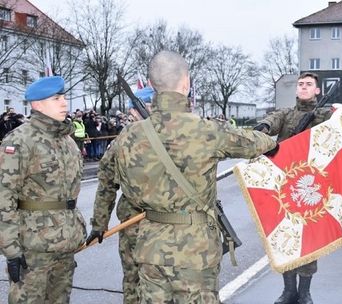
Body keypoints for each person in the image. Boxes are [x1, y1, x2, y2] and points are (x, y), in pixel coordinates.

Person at [107, 50, 276, 303]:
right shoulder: (207, 130)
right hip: (195, 251)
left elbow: (108, 178)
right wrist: (268, 136)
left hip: (149, 246)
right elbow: (259, 143)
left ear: (152, 85)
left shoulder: (128, 136)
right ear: (185, 82)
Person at [0, 76, 87, 303]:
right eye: (57, 98)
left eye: (64, 97)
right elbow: (3, 196)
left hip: (65, 243)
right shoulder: (20, 141)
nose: (64, 103)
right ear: (37, 105)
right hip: (33, 248)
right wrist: (10, 249)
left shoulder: (67, 141)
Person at [254, 72, 332, 304]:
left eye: (309, 85)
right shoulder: (287, 114)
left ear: (317, 90)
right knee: (285, 238)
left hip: (312, 188)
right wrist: (264, 127)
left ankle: (305, 292)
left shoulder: (325, 115)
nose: (304, 88)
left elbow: (337, 133)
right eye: (301, 84)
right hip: (285, 187)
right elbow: (273, 120)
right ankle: (288, 290)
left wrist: (333, 117)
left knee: (309, 240)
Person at [85, 86, 154, 304]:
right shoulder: (123, 142)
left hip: (168, 225)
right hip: (134, 223)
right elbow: (106, 183)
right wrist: (99, 224)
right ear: (134, 111)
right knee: (134, 280)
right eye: (150, 105)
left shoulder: (171, 135)